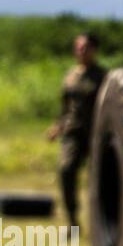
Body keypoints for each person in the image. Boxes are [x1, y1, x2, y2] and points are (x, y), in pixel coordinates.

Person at [47, 33, 106, 227]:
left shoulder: (103, 76)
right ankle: (72, 220)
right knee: (66, 170)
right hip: (73, 132)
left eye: (85, 47)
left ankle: (102, 223)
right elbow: (65, 106)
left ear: (94, 50)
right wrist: (57, 126)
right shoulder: (71, 75)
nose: (80, 51)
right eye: (78, 47)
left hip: (96, 132)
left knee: (99, 179)